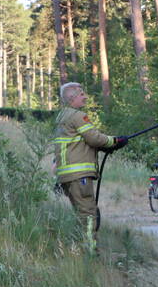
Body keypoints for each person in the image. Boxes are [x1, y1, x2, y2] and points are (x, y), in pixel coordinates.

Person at [51, 82, 127, 253]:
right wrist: (115, 141)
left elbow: (79, 142)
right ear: (72, 98)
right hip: (79, 175)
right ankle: (89, 252)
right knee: (88, 214)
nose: (85, 97)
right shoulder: (78, 116)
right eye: (82, 94)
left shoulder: (61, 117)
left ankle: (79, 249)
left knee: (81, 214)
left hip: (67, 176)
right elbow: (94, 138)